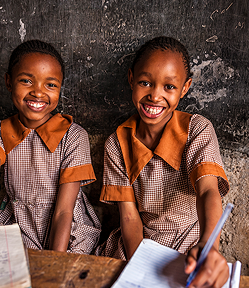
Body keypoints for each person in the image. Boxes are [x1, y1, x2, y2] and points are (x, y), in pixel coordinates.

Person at [95, 36, 230, 287]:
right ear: (131, 79)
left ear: (185, 87)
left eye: (169, 87)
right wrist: (141, 267)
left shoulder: (196, 131)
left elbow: (208, 190)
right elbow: (129, 217)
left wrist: (208, 245)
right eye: (145, 83)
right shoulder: (118, 143)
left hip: (189, 243)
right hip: (137, 243)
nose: (155, 96)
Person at [0, 39, 101, 254]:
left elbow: (64, 211)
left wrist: (56, 260)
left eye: (51, 84)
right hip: (20, 226)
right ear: (9, 82)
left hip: (68, 230)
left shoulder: (73, 136)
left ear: (60, 88)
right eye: (27, 81)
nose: (38, 92)